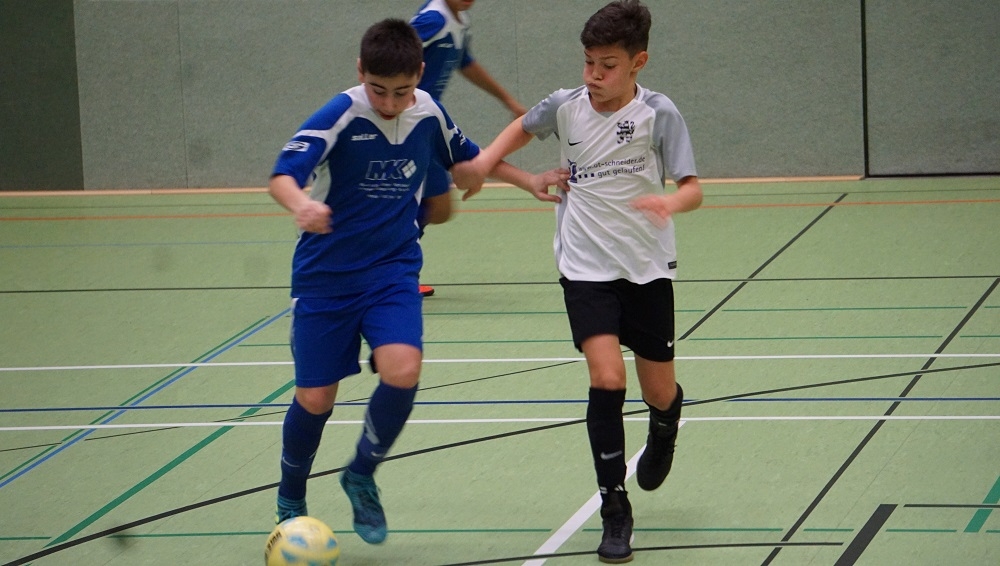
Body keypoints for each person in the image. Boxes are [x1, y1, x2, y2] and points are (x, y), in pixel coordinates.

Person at [460, 1, 702, 562]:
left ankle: (666, 423)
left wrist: (668, 203)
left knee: (657, 390)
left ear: (638, 62)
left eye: (607, 65)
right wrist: (490, 164)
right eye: (588, 62)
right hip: (585, 268)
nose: (594, 75)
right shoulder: (565, 107)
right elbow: (518, 130)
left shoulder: (658, 114)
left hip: (646, 268)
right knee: (607, 378)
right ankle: (615, 508)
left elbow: (692, 188)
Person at [267, 18, 484, 546]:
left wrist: (520, 178)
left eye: (401, 91)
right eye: (378, 89)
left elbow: (470, 159)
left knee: (403, 368)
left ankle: (361, 473)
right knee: (316, 398)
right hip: (326, 277)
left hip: (392, 270)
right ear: (360, 70)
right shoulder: (340, 113)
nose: (389, 102)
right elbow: (283, 175)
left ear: (420, 75)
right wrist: (301, 205)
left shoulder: (428, 112)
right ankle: (290, 495)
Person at [409, 0, 528, 297]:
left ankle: (394, 263)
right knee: (429, 203)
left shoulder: (458, 21)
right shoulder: (433, 20)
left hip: (427, 121)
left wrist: (508, 100)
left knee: (440, 207)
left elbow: (466, 63)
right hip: (409, 122)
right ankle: (397, 272)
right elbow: (390, 52)